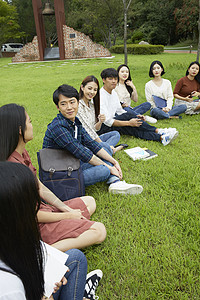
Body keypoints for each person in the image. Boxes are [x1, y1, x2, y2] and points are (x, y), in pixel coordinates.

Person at [0, 103, 107, 252]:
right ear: (19, 130)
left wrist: (64, 208)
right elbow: (32, 216)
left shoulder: (21, 153)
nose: (32, 125)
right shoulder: (11, 168)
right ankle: (45, 252)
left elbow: (39, 187)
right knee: (99, 231)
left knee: (90, 201)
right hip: (32, 226)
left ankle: (67, 227)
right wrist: (68, 216)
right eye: (29, 121)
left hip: (43, 210)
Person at [0, 162, 103, 300]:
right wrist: (45, 295)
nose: (37, 205)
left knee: (76, 257)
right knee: (98, 231)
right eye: (32, 202)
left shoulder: (10, 239)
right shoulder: (10, 289)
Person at [43, 84, 143, 195]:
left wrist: (114, 162)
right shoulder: (58, 127)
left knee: (103, 152)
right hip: (60, 175)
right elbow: (81, 151)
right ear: (58, 107)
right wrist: (109, 167)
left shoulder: (75, 121)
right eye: (63, 104)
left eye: (72, 102)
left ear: (77, 102)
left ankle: (115, 183)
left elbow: (91, 143)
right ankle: (114, 180)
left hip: (73, 163)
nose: (69, 107)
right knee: (104, 169)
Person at [97, 68, 179, 146]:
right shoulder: (101, 95)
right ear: (103, 80)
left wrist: (135, 116)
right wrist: (129, 122)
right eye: (110, 79)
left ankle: (162, 138)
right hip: (104, 127)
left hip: (115, 121)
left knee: (134, 128)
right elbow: (107, 121)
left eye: (115, 79)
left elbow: (120, 111)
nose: (114, 81)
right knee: (129, 116)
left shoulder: (113, 93)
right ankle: (159, 130)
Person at [77, 75, 127, 155]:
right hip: (85, 141)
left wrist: (100, 121)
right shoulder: (78, 106)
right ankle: (110, 149)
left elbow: (95, 129)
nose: (92, 92)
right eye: (89, 88)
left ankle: (107, 149)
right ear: (82, 87)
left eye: (95, 90)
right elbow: (89, 131)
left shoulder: (92, 105)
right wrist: (101, 143)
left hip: (94, 138)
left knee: (115, 134)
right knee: (102, 146)